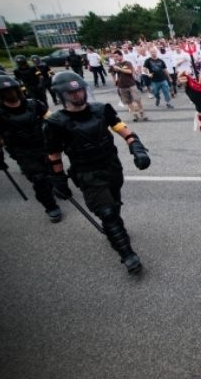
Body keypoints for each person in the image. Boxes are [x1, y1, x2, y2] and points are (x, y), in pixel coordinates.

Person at [43, 71, 150, 274]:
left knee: (114, 206)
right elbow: (53, 154)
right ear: (62, 95)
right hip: (87, 174)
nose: (77, 95)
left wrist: (136, 147)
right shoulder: (56, 122)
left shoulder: (101, 110)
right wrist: (58, 178)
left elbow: (121, 128)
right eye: (71, 92)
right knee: (108, 213)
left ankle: (114, 229)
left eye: (79, 90)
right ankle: (128, 255)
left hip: (112, 168)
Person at [0, 75, 62, 222]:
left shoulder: (34, 104)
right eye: (5, 91)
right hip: (23, 152)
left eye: (12, 90)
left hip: (44, 146)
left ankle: (56, 187)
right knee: (39, 179)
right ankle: (50, 206)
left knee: (53, 172)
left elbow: (52, 119)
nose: (10, 93)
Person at [111, 50, 147, 121]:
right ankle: (135, 115)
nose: (116, 58)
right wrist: (114, 80)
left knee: (137, 100)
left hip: (131, 84)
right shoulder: (115, 65)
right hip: (121, 86)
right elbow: (112, 73)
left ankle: (142, 114)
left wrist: (119, 69)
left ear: (121, 56)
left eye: (117, 56)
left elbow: (130, 72)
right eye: (114, 57)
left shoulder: (127, 63)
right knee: (128, 102)